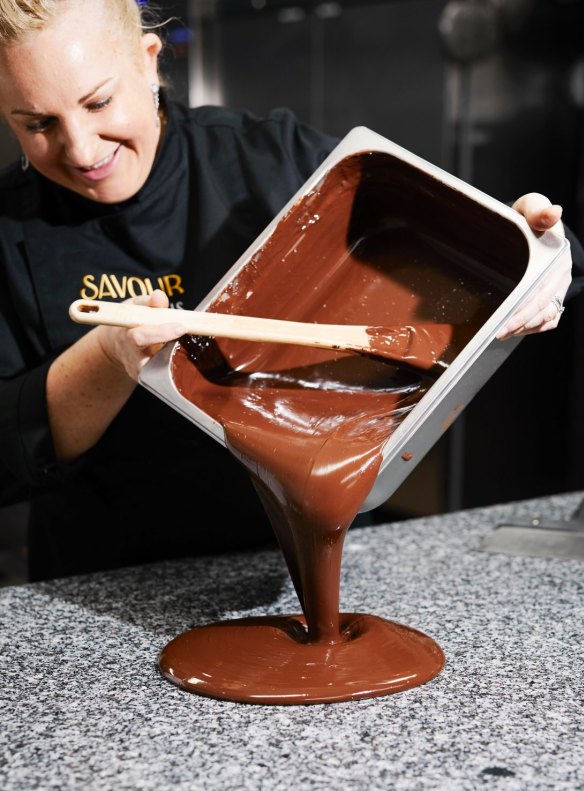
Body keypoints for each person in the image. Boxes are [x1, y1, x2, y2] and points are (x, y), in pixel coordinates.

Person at [0, 0, 581, 582]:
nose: (81, 149)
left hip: (319, 555)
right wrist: (106, 359)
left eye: (98, 102)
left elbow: (557, 255)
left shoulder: (271, 159)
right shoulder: (9, 229)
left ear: (150, 63)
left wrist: (536, 255)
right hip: (109, 577)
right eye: (37, 124)